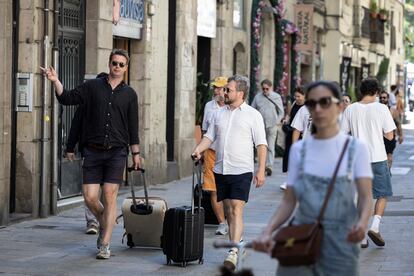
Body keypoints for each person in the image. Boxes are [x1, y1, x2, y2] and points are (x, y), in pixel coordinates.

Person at [253, 81, 373, 276]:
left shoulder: (356, 149)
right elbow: (289, 201)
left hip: (340, 244)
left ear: (340, 107)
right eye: (311, 103)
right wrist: (268, 230)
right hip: (301, 237)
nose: (317, 109)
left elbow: (366, 197)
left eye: (325, 102)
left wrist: (361, 225)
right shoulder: (300, 150)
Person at [41, 49, 140, 259]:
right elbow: (67, 98)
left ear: (126, 68)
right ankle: (107, 220)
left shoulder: (130, 94)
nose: (117, 67)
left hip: (117, 153)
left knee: (110, 196)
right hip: (93, 152)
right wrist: (56, 81)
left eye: (122, 64)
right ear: (109, 63)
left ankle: (105, 244)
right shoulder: (93, 87)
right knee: (90, 198)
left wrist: (136, 154)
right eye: (114, 63)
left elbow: (133, 126)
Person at [192, 74, 267, 271]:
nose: (224, 92)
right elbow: (209, 136)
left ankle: (233, 251)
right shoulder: (219, 113)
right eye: (225, 89)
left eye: (228, 90)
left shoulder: (253, 115)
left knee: (236, 208)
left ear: (240, 93)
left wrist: (261, 170)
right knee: (228, 211)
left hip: (242, 169)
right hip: (221, 168)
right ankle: (239, 241)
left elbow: (261, 144)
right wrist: (199, 149)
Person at [341, 77, 396, 248]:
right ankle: (375, 226)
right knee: (382, 194)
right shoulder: (381, 108)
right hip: (378, 157)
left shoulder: (350, 109)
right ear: (376, 92)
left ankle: (362, 236)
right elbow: (390, 135)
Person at [66, 72, 108, 235]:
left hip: (111, 154)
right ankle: (92, 221)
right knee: (91, 190)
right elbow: (76, 125)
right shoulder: (85, 104)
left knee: (107, 190)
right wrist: (70, 147)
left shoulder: (112, 104)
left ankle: (104, 217)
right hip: (90, 152)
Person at [201, 76, 228, 235]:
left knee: (227, 189)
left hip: (228, 153)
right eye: (215, 87)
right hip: (211, 152)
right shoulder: (209, 106)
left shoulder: (233, 108)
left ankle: (231, 218)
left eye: (219, 88)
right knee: (213, 190)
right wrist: (202, 152)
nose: (216, 90)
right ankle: (221, 222)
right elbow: (205, 131)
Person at [251, 79, 284, 176]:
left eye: (267, 89)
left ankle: (269, 166)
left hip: (272, 125)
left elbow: (281, 111)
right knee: (261, 145)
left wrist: (277, 122)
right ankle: (262, 165)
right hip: (260, 125)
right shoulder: (258, 97)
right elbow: (252, 110)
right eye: (263, 89)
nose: (265, 90)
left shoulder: (276, 97)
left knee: (270, 146)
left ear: (271, 88)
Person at [280, 86, 305, 190]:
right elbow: (289, 116)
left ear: (305, 96)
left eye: (299, 96)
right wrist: (285, 121)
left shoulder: (306, 108)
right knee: (288, 156)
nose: (296, 98)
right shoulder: (295, 104)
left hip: (301, 136)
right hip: (291, 134)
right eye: (295, 96)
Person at [379, 91, 404, 169]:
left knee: (389, 155)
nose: (382, 99)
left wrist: (401, 135)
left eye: (384, 97)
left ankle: (387, 171)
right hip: (378, 136)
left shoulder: (393, 111)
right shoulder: (376, 109)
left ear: (388, 98)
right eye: (381, 97)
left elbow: (398, 124)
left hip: (390, 136)